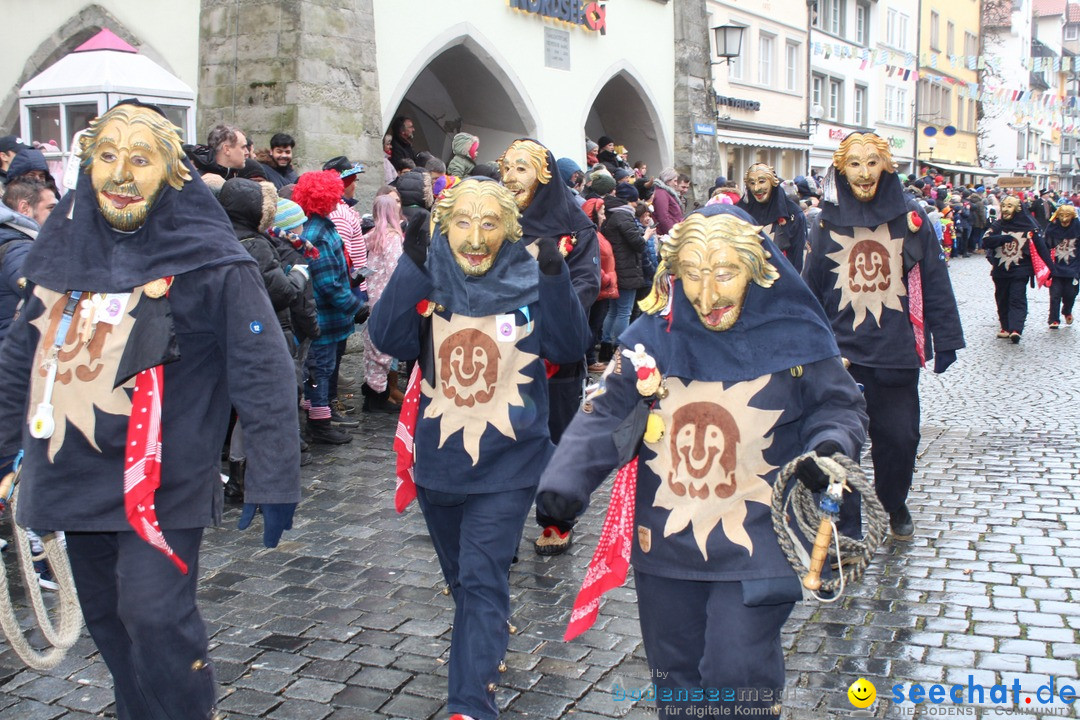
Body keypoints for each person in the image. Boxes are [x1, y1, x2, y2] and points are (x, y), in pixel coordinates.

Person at [0, 100, 299, 719]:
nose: (122, 173)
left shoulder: (216, 263)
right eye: (107, 156)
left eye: (141, 158)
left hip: (166, 480)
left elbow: (263, 370)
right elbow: (16, 364)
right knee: (111, 623)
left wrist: (273, 475)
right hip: (72, 473)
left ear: (172, 172)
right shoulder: (58, 259)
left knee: (152, 614)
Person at [536, 205, 867, 719]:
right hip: (666, 543)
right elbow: (605, 410)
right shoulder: (651, 337)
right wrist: (564, 481)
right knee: (675, 677)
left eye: (724, 273)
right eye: (692, 274)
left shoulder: (798, 335)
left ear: (756, 269)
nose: (706, 294)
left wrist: (830, 448)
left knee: (736, 675)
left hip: (762, 536)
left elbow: (839, 405)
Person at [368, 178, 590, 720]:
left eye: (489, 222)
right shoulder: (432, 276)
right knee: (464, 578)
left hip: (510, 464)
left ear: (510, 229)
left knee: (482, 576)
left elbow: (569, 347)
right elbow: (388, 338)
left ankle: (468, 704)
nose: (474, 236)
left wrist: (554, 277)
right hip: (438, 465)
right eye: (462, 221)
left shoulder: (531, 275)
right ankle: (482, 623)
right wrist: (415, 264)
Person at [802, 132, 965, 540]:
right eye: (854, 164)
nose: (863, 172)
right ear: (842, 169)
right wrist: (805, 345)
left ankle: (892, 502)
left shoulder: (911, 219)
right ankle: (848, 523)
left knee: (901, 439)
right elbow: (811, 289)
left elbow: (934, 279)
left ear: (886, 166)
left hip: (895, 353)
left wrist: (944, 337)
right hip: (842, 357)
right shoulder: (824, 221)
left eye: (871, 162)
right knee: (840, 444)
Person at [496, 138, 600, 556]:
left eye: (521, 168)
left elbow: (585, 287)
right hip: (501, 352)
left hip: (553, 354)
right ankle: (498, 517)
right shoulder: (495, 223)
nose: (509, 177)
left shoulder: (575, 228)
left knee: (556, 436)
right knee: (499, 435)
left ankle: (557, 516)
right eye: (506, 167)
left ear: (543, 174)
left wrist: (538, 311)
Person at [293, 170, 364, 444]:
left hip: (328, 315)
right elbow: (326, 282)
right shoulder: (318, 232)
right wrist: (354, 306)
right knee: (320, 369)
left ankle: (317, 417)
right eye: (334, 194)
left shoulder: (322, 226)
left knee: (320, 368)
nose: (339, 199)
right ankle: (319, 424)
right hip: (325, 316)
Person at [983, 194, 1054, 343]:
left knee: (1017, 298)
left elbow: (1041, 248)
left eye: (1010, 206)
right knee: (1002, 298)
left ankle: (1016, 329)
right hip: (1000, 270)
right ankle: (1005, 326)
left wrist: (1051, 269)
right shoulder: (998, 225)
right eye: (1004, 206)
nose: (1006, 209)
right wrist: (1001, 239)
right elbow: (985, 241)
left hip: (1020, 269)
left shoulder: (1029, 226)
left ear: (1017, 208)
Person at [361, 194, 406, 412]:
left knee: (373, 345)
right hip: (388, 297)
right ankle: (379, 395)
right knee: (384, 347)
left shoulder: (370, 236)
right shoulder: (393, 237)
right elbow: (396, 268)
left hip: (372, 296)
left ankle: (373, 389)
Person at [736, 162, 808, 273]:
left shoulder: (793, 214)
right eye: (752, 183)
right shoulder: (739, 213)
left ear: (772, 182)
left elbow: (797, 258)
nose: (756, 188)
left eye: (761, 181)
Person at [1045, 204, 1080, 328]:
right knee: (1055, 294)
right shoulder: (1052, 229)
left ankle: (1067, 311)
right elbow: (1045, 246)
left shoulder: (1078, 230)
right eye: (1061, 216)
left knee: (1071, 293)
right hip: (1056, 268)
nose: (1064, 219)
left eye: (1067, 216)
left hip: (1073, 268)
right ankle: (1053, 319)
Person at [652, 168, 684, 235]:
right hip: (668, 233)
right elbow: (663, 217)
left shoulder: (666, 192)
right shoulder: (661, 193)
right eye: (674, 181)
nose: (676, 184)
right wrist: (673, 234)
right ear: (668, 181)